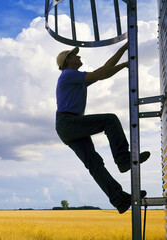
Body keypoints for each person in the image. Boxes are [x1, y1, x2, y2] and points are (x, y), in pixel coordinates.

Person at [55, 42, 150, 213]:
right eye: (75, 55)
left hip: (69, 126)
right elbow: (101, 74)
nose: (79, 56)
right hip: (68, 122)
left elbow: (103, 71)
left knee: (95, 165)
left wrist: (123, 50)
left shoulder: (77, 79)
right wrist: (124, 64)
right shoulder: (68, 74)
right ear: (68, 61)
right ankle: (122, 159)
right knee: (110, 120)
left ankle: (119, 199)